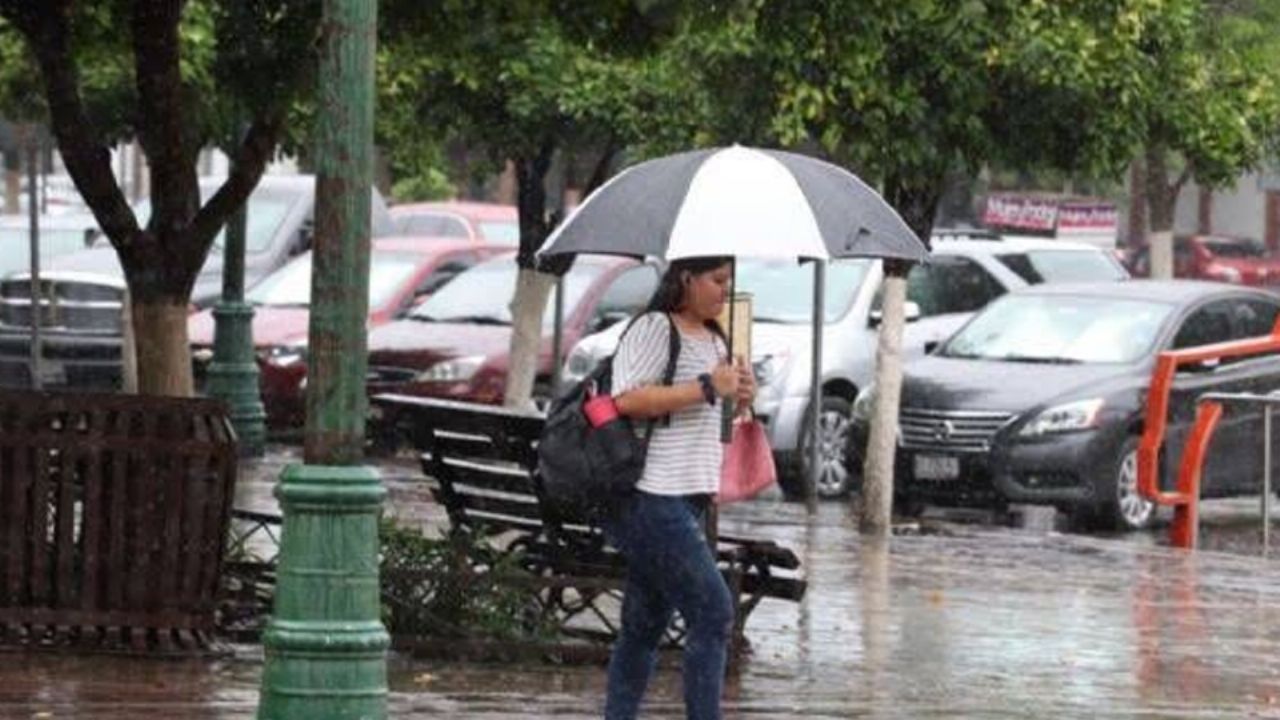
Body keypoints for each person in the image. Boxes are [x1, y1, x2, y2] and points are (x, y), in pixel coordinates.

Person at [604, 256, 756, 720]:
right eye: (716, 281)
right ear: (685, 278)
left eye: (728, 283)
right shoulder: (654, 328)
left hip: (690, 498)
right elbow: (627, 398)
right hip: (651, 497)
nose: (722, 293)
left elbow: (715, 419)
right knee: (713, 612)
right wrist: (709, 385)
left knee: (644, 626)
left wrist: (743, 395)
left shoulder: (715, 339)